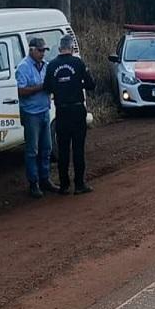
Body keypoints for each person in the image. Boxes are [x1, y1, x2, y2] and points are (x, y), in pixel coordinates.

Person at [44, 35, 97, 195]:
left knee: (63, 149)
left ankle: (64, 185)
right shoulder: (78, 63)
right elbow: (91, 85)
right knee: (78, 148)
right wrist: (77, 83)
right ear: (72, 48)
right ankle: (79, 184)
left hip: (61, 110)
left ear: (60, 48)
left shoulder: (52, 65)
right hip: (77, 109)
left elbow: (47, 87)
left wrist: (60, 87)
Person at [16, 36, 56, 198]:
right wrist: (42, 87)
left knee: (46, 148)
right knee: (32, 150)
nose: (42, 54)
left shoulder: (46, 66)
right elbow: (21, 91)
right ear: (31, 49)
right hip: (31, 113)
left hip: (44, 110)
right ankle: (33, 183)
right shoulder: (23, 67)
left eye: (44, 50)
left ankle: (45, 179)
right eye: (39, 50)